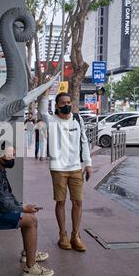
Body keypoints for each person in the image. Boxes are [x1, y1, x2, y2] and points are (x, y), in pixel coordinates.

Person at [0, 141, 54, 276]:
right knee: (31, 220)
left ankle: (28, 253)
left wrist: (23, 206)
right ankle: (30, 268)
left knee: (29, 215)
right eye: (10, 155)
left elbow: (7, 196)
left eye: (14, 154)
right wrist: (23, 208)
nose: (13, 157)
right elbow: (2, 205)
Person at [39, 93, 92, 252]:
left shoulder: (77, 119)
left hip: (76, 167)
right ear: (56, 106)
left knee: (78, 202)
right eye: (63, 103)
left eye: (69, 102)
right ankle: (62, 234)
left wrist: (88, 163)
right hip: (58, 168)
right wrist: (44, 91)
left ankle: (75, 235)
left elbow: (84, 140)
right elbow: (42, 111)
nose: (66, 105)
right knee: (60, 202)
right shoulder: (52, 121)